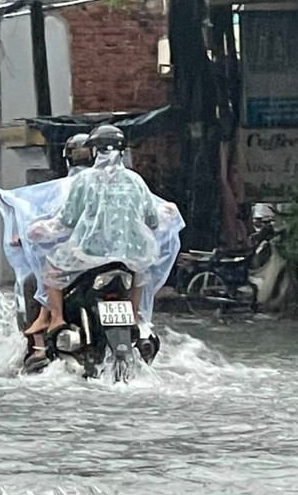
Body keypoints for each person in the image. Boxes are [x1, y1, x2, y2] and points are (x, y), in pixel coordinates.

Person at [23, 124, 181, 358]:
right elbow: (152, 219)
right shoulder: (135, 180)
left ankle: (55, 318)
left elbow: (65, 222)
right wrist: (167, 212)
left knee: (52, 266)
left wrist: (38, 230)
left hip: (90, 255)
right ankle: (135, 317)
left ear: (93, 151)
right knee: (140, 272)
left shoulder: (83, 181)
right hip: (132, 256)